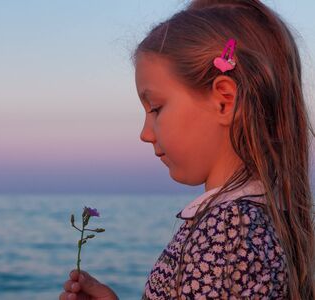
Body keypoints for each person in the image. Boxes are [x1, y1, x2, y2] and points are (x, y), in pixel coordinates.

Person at [59, 0, 315, 298]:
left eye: (155, 108)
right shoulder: (251, 221)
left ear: (224, 100)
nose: (144, 134)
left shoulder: (227, 233)